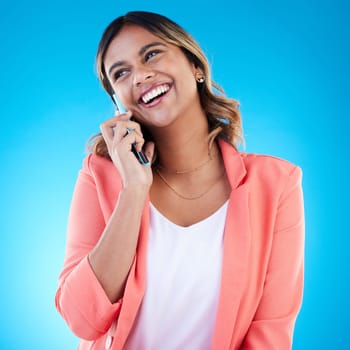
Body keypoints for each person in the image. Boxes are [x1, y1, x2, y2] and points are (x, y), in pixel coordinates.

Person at [55, 11, 304, 350]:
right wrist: (133, 189)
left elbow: (270, 331)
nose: (140, 75)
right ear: (117, 102)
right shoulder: (99, 175)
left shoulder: (277, 184)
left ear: (195, 66)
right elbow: (81, 319)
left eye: (152, 54)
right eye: (121, 73)